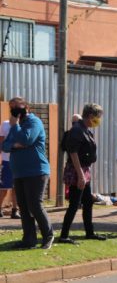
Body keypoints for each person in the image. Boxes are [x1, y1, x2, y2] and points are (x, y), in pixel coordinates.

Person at [2, 97, 54, 249]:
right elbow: (5, 146)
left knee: (35, 205)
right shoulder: (15, 125)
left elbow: (26, 140)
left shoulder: (33, 122)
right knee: (23, 207)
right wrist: (15, 143)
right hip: (19, 172)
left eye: (17, 107)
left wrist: (16, 129)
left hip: (36, 171)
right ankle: (29, 240)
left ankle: (48, 235)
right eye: (11, 108)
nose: (14, 110)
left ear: (27, 107)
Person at [59, 104, 108, 244]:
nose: (99, 120)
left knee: (87, 202)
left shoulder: (85, 129)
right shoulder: (77, 130)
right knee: (74, 204)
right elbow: (73, 153)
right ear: (91, 116)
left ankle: (89, 232)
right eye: (98, 117)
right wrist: (80, 175)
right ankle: (64, 235)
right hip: (77, 171)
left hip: (84, 170)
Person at [0, 119, 20, 219]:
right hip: (6, 160)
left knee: (16, 187)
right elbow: (1, 140)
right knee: (4, 188)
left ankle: (15, 210)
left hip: (19, 160)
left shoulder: (24, 123)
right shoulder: (5, 124)